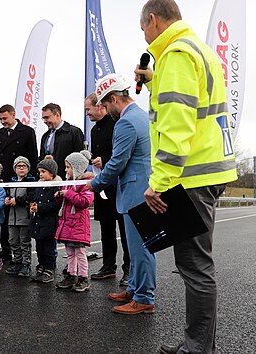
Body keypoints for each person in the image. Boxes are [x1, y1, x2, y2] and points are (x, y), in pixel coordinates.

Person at [136, 1, 237, 352]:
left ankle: (198, 349)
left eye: (143, 29)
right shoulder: (199, 50)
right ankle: (196, 344)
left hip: (191, 174)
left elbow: (177, 126)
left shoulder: (176, 54)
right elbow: (181, 103)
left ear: (152, 19)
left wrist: (159, 183)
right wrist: (152, 82)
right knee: (194, 264)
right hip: (208, 168)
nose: (145, 37)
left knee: (194, 266)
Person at [87, 73, 156, 315]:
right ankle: (136, 290)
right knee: (136, 248)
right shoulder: (142, 115)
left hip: (136, 192)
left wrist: (94, 184)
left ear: (114, 99)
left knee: (141, 248)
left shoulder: (125, 122)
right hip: (141, 188)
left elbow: (117, 163)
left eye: (105, 104)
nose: (106, 109)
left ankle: (145, 297)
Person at [85, 93, 130, 286]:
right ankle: (108, 265)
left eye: (88, 109)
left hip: (119, 184)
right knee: (106, 227)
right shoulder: (94, 130)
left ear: (100, 107)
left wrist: (105, 159)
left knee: (125, 229)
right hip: (102, 184)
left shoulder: (117, 124)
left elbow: (121, 153)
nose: (87, 113)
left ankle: (129, 269)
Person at [0, 104, 39, 261]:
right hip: (4, 181)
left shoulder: (27, 132)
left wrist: (30, 180)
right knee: (5, 217)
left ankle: (22, 254)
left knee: (20, 216)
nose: (3, 121)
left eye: (5, 118)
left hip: (21, 181)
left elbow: (33, 156)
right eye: (0, 119)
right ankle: (6, 250)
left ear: (13, 115)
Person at [55, 151, 94, 293]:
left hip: (78, 225)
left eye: (68, 167)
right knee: (70, 252)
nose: (66, 170)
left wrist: (68, 194)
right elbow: (64, 203)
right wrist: (59, 196)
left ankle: (83, 278)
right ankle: (71, 275)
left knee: (80, 252)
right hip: (67, 224)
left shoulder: (86, 183)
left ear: (77, 168)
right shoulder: (68, 183)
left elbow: (85, 201)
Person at [28, 157, 60, 283]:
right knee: (40, 248)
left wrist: (40, 207)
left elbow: (55, 205)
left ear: (52, 174)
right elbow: (34, 199)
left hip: (49, 224)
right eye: (40, 172)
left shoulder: (55, 188)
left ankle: (49, 269)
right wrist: (32, 206)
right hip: (38, 224)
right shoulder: (38, 186)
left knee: (49, 249)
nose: (40, 174)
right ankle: (41, 266)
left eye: (43, 172)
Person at [4, 156, 36, 277]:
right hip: (12, 218)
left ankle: (26, 264)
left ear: (28, 168)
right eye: (19, 166)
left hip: (25, 218)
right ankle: (17, 261)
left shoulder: (31, 182)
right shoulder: (11, 182)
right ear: (14, 168)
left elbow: (31, 197)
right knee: (13, 240)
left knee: (24, 241)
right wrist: (6, 200)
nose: (21, 168)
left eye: (24, 166)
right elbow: (6, 195)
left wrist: (18, 201)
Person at [38, 103, 84, 180]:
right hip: (49, 181)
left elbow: (79, 158)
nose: (45, 121)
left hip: (67, 179)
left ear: (57, 115)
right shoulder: (45, 136)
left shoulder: (74, 132)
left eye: (47, 117)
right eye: (43, 118)